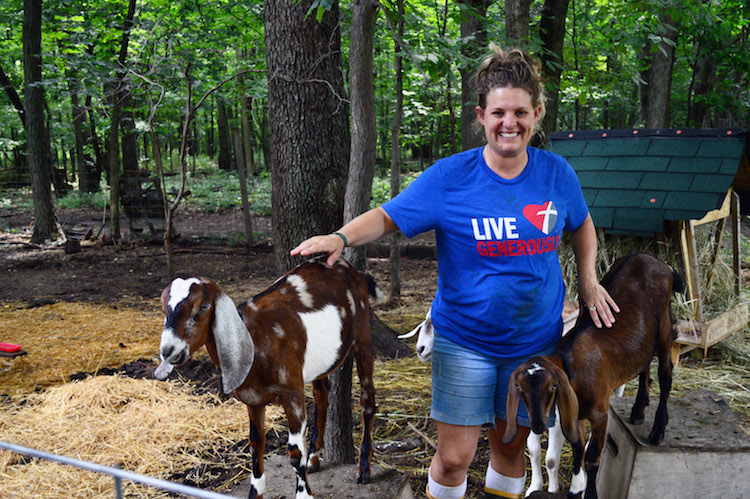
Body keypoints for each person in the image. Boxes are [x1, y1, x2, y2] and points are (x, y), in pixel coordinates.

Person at [291, 44, 619, 499]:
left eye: (521, 112)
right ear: (482, 115)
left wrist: (588, 279)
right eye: (499, 112)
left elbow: (582, 225)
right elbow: (388, 216)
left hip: (534, 343)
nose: (510, 123)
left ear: (537, 114)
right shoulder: (450, 178)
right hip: (465, 340)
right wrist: (341, 238)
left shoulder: (556, 174)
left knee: (510, 449)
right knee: (454, 457)